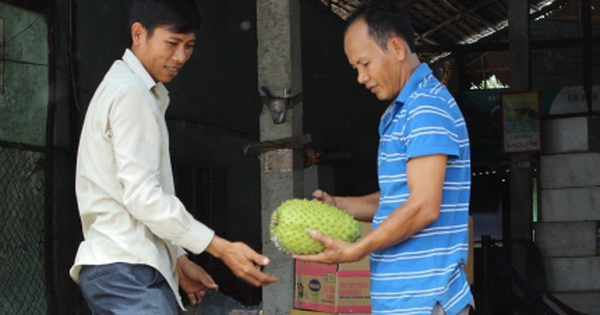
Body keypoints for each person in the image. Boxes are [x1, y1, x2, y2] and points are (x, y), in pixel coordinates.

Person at [69, 0, 277, 313]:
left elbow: (135, 198)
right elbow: (142, 196)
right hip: (126, 269)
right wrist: (219, 247)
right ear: (138, 34)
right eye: (172, 43)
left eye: (189, 46)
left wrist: (177, 258)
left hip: (123, 268)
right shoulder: (131, 93)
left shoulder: (129, 89)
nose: (180, 57)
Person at [294, 1, 473, 314]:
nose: (361, 77)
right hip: (403, 302)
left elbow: (423, 207)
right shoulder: (403, 112)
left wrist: (356, 249)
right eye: (355, 68)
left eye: (365, 63)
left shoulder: (425, 109)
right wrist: (339, 206)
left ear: (396, 47)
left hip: (425, 302)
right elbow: (401, 198)